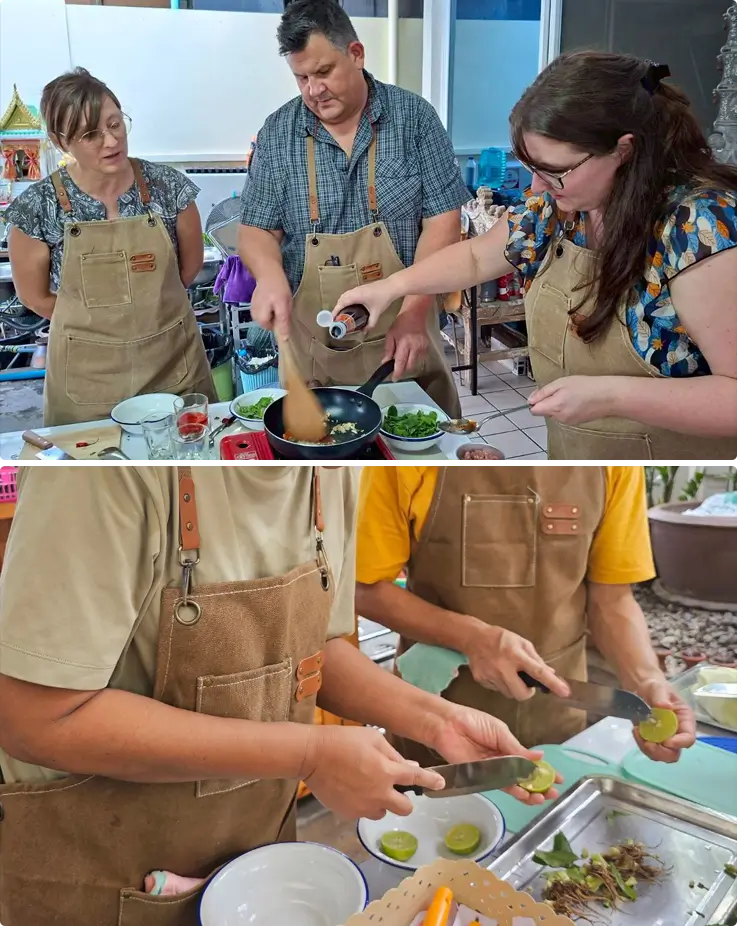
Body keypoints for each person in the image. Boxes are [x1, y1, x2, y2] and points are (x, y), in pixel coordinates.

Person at [0, 465, 556, 926]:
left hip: (253, 855)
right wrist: (308, 753)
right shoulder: (103, 477)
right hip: (95, 861)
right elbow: (36, 719)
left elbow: (312, 651)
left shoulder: (331, 468)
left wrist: (437, 722)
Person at [335, 53, 737, 462]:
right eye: (530, 166)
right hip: (580, 468)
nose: (538, 186)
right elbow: (475, 258)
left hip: (680, 494)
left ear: (623, 151)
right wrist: (391, 287)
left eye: (553, 170)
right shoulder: (561, 209)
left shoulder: (698, 226)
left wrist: (614, 395)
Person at [355, 465, 696, 763]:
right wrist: (471, 637)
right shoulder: (404, 465)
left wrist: (646, 680)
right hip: (435, 710)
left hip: (558, 713)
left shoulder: (615, 467)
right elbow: (363, 590)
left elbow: (613, 599)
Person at [239, 0, 467, 417]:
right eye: (301, 77)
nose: (313, 89)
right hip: (314, 351)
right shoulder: (277, 133)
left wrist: (416, 312)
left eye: (323, 72)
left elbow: (442, 223)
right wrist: (268, 277)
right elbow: (256, 228)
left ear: (356, 54)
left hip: (405, 334)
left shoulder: (414, 119)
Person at [6, 68, 217, 428]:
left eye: (115, 123)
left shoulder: (168, 188)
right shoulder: (38, 208)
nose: (110, 141)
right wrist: (96, 325)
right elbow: (34, 296)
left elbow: (188, 268)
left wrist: (149, 313)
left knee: (188, 469)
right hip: (87, 382)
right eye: (91, 134)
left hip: (173, 366)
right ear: (61, 142)